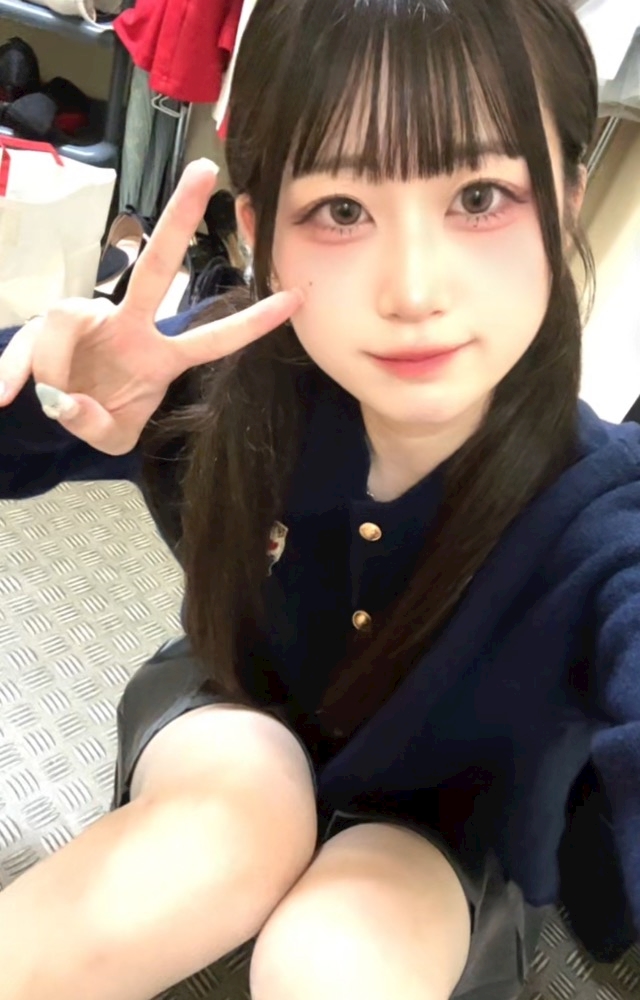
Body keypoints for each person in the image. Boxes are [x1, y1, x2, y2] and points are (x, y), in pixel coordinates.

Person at [0, 1, 638, 998]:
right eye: (342, 210)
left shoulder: (603, 515)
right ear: (260, 229)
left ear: (566, 197)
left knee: (338, 960)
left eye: (479, 196)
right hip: (230, 724)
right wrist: (45, 396)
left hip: (445, 836)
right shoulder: (220, 381)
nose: (413, 289)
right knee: (231, 830)